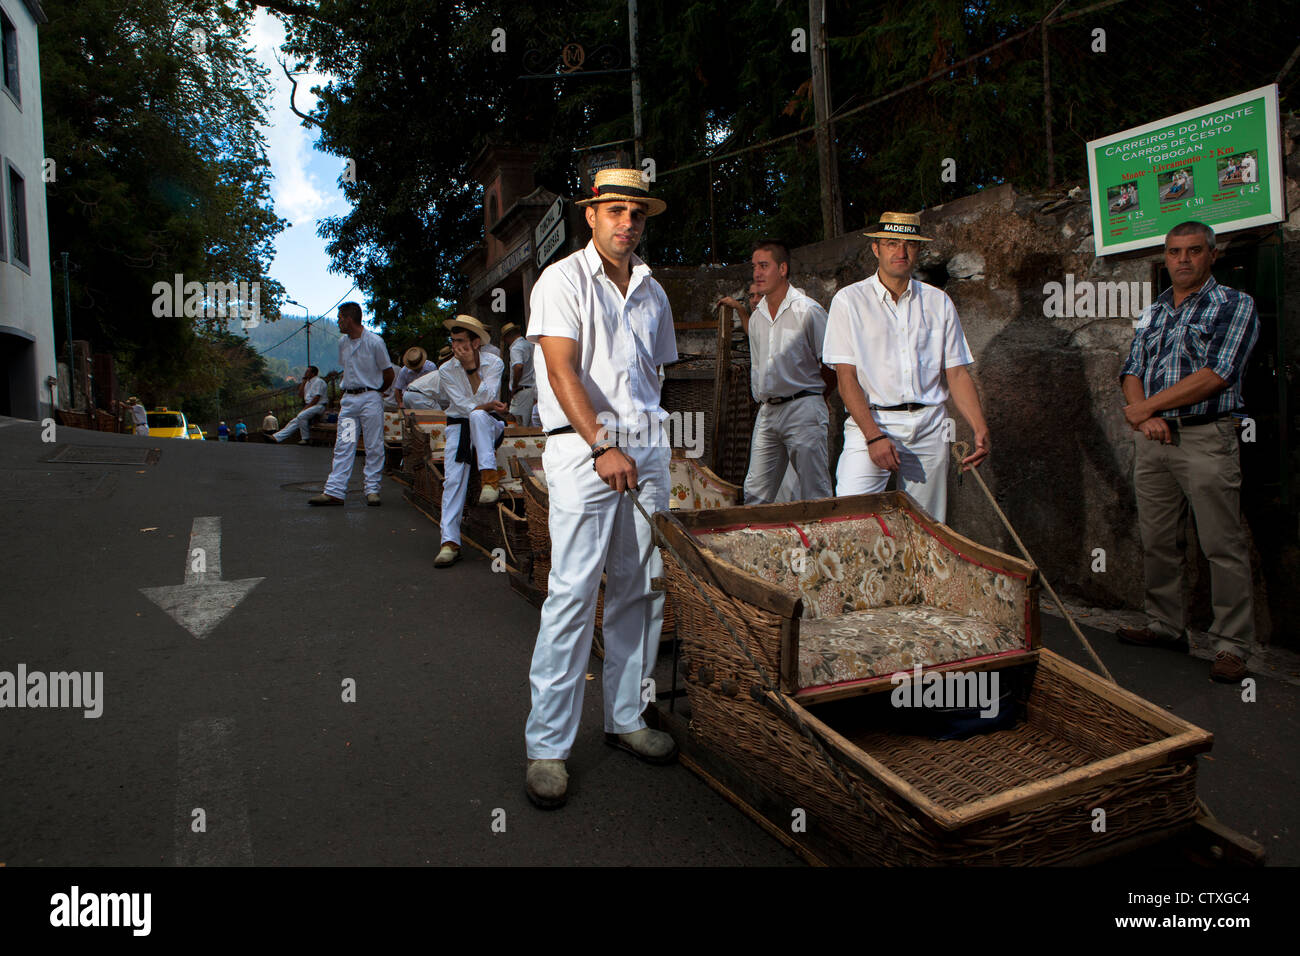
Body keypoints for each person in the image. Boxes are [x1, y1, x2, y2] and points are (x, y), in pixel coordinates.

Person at [523, 167, 679, 810]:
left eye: (636, 213)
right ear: (590, 215)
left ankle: (627, 719)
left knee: (640, 590)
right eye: (614, 209)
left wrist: (643, 446)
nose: (626, 222)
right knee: (572, 593)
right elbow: (560, 371)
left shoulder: (652, 290)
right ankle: (547, 747)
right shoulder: (561, 280)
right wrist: (602, 444)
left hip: (644, 450)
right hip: (583, 451)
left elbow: (654, 378)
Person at [1117, 221, 1259, 683]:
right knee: (1157, 538)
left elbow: (1219, 372)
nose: (1183, 259)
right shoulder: (1154, 311)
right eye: (1175, 251)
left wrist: (1142, 410)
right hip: (1154, 438)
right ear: (1166, 255)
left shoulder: (1233, 304)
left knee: (1221, 544)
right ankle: (1165, 626)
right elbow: (1132, 367)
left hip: (1205, 437)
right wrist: (1145, 415)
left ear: (1210, 255)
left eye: (1193, 251)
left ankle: (1232, 644)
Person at [822, 211, 990, 521]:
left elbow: (956, 372)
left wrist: (979, 426)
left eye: (909, 244)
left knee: (927, 527)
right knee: (849, 519)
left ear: (918, 250)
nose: (900, 252)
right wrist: (873, 437)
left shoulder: (939, 302)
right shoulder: (849, 301)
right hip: (871, 423)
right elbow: (846, 379)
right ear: (876, 249)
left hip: (929, 427)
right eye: (891, 243)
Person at [731, 240, 834, 504]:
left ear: (783, 268)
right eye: (755, 266)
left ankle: (821, 544)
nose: (757, 273)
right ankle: (759, 545)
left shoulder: (808, 311)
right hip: (768, 411)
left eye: (764, 266)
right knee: (755, 492)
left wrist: (816, 398)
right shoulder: (756, 318)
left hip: (803, 406)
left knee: (815, 491)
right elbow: (757, 366)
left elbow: (832, 364)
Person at [432, 315, 507, 567]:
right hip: (459, 425)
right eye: (453, 341)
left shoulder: (494, 363)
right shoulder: (445, 369)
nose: (456, 347)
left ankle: (489, 479)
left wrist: (472, 369)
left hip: (488, 425)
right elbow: (465, 406)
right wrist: (481, 404)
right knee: (453, 479)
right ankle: (449, 542)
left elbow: (487, 399)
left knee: (478, 415)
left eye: (461, 341)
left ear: (475, 343)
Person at [308, 302, 393, 507]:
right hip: (349, 400)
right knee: (344, 444)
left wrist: (377, 392)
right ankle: (335, 491)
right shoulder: (342, 343)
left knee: (373, 443)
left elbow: (388, 373)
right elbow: (346, 368)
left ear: (349, 318)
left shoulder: (375, 342)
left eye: (340, 318)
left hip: (370, 398)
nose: (338, 321)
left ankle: (372, 489)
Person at [272, 366, 327, 444]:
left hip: (319, 406)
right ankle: (276, 438)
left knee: (301, 416)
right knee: (294, 421)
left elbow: (316, 398)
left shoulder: (319, 382)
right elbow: (300, 395)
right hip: (310, 406)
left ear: (313, 373)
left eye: (308, 372)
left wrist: (306, 408)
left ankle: (305, 438)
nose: (305, 373)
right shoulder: (308, 383)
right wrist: (303, 383)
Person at [503, 322, 537, 426]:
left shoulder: (516, 348)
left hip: (521, 390)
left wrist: (514, 386)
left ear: (507, 337)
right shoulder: (530, 345)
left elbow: (518, 366)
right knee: (530, 423)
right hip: (532, 389)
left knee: (516, 423)